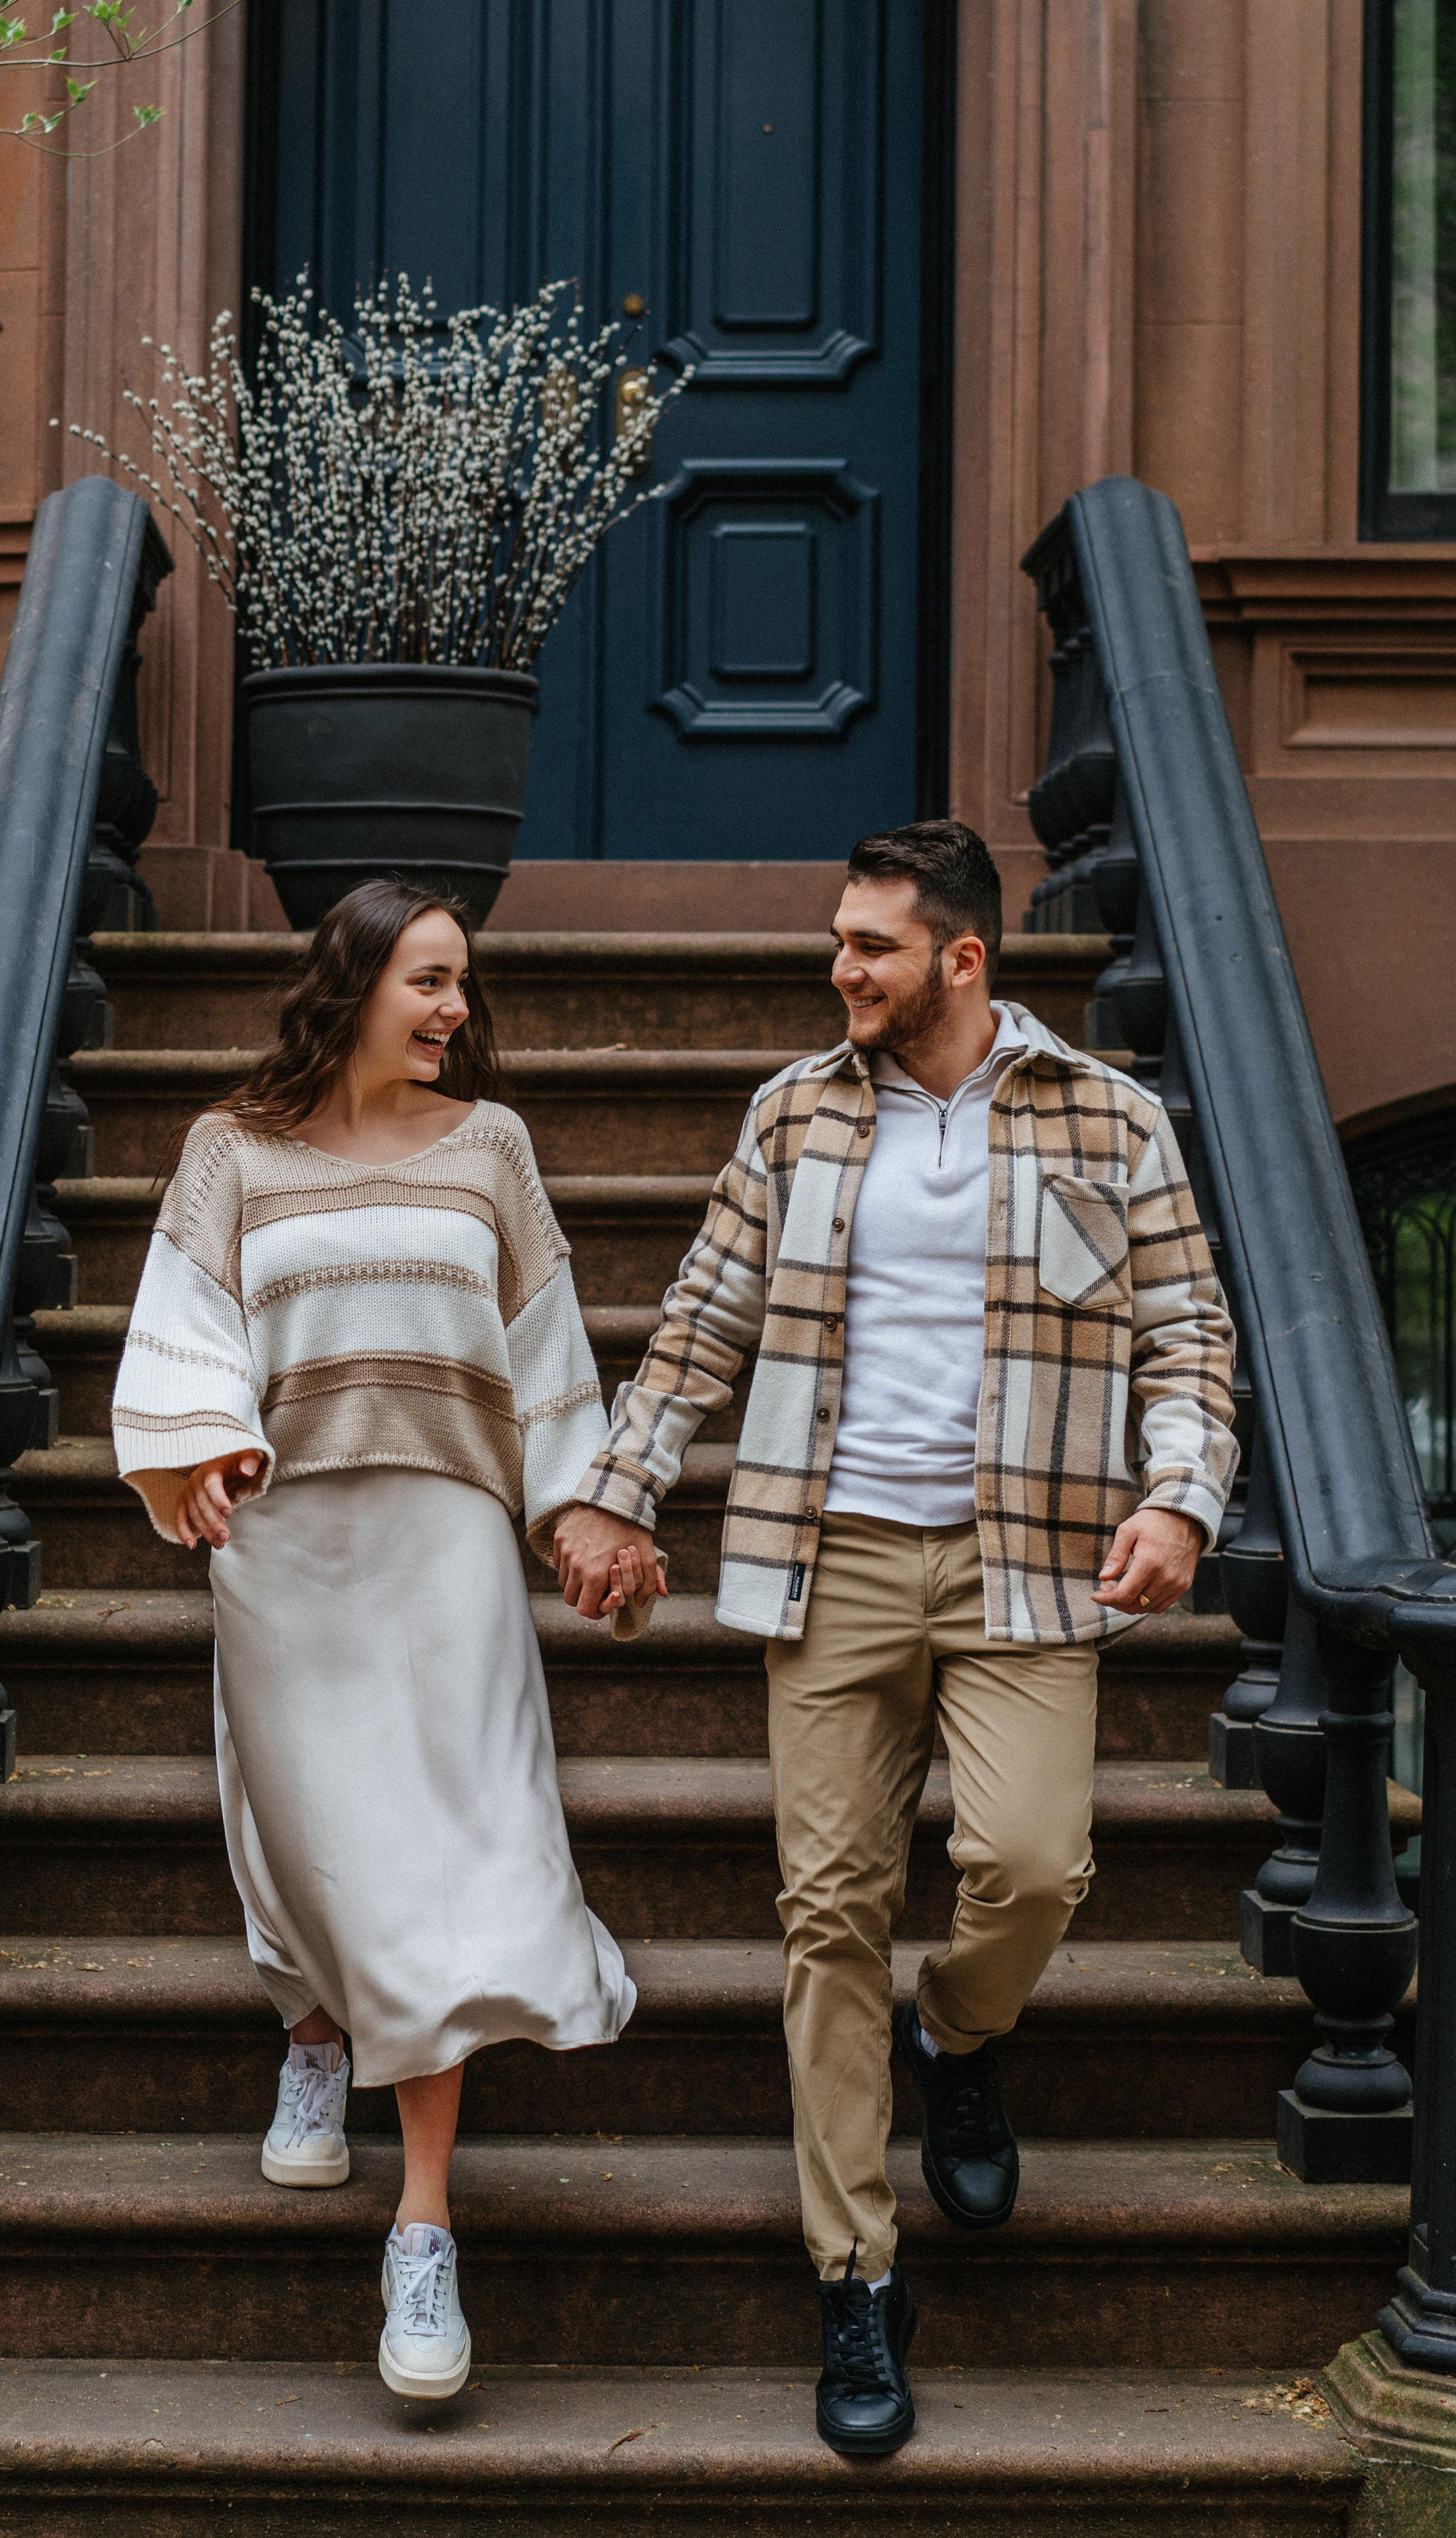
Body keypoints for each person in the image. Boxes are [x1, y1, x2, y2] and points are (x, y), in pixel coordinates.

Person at [553, 819, 1237, 2457]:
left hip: (1028, 1562)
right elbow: (701, 1322)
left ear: (961, 957)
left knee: (1028, 1865)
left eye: (869, 944)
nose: (839, 968)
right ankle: (855, 2274)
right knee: (825, 1914)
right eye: (838, 940)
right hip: (834, 1553)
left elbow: (1187, 1335)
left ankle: (962, 2036)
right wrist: (618, 1493)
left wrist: (1180, 1501)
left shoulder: (1106, 1116)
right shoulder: (793, 1115)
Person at [111, 878, 652, 2405]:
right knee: (316, 1837)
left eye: (461, 984)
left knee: (449, 1857)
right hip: (289, 1547)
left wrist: (576, 1518)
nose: (453, 1010)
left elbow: (545, 1353)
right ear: (351, 983)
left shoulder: (493, 1150)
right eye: (428, 980)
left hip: (448, 1543)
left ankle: (420, 2226)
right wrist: (203, 1446)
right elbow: (181, 1331)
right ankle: (307, 2020)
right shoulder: (228, 1149)